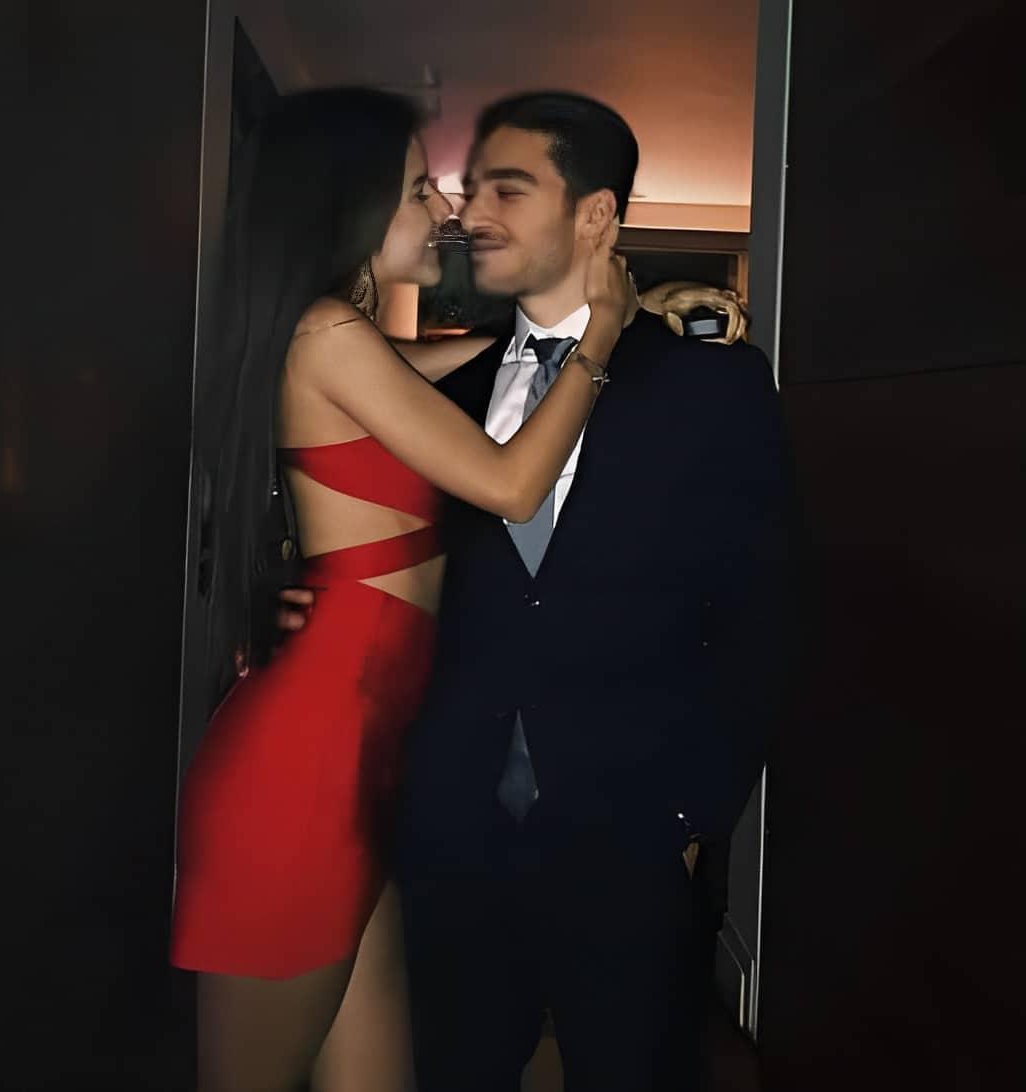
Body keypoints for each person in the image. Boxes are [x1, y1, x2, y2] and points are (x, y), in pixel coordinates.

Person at [280, 91, 793, 1091]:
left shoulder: (711, 384)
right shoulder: (430, 387)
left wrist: (696, 816)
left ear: (595, 214)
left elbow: (760, 612)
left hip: (631, 830)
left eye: (505, 190)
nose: (469, 213)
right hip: (450, 827)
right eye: (466, 188)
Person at [169, 87, 634, 1092]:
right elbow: (509, 486)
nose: (445, 210)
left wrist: (560, 326)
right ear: (353, 203)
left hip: (357, 760)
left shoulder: (348, 343)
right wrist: (600, 338)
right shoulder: (326, 335)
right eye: (421, 189)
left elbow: (457, 361)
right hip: (303, 767)